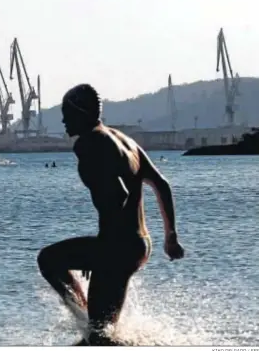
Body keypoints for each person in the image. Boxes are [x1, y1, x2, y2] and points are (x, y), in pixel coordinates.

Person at [36, 84, 184, 345]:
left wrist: (103, 247)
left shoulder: (89, 142)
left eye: (66, 113)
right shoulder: (124, 140)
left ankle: (87, 324)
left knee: (99, 337)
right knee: (98, 333)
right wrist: (170, 237)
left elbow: (118, 194)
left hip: (118, 247)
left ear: (82, 112)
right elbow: (162, 185)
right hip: (140, 243)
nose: (63, 120)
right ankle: (88, 325)